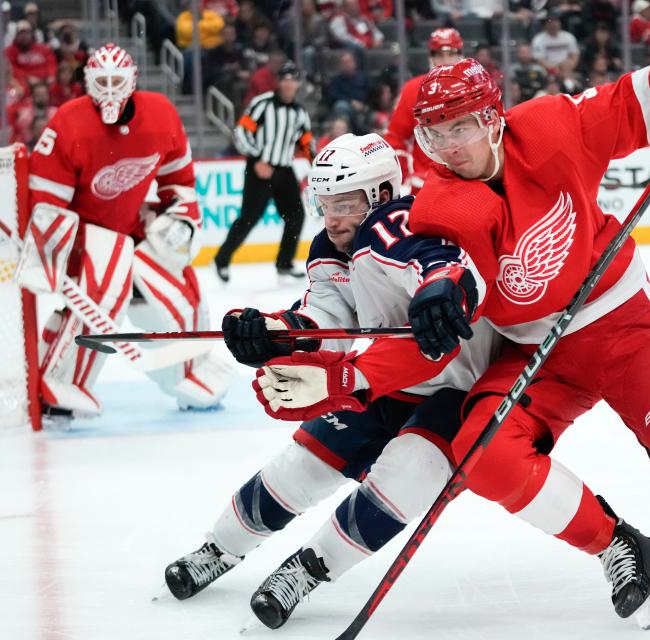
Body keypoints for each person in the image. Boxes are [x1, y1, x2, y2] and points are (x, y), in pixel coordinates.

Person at [251, 59, 650, 631]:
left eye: (461, 128)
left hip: (622, 324)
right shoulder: (442, 205)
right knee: (484, 453)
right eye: (436, 134)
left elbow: (635, 98)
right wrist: (434, 299)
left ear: (494, 120)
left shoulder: (553, 126)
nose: (450, 148)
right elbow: (449, 293)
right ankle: (621, 547)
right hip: (535, 352)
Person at [164, 133, 501, 629]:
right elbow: (326, 319)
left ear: (383, 195)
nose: (334, 218)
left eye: (345, 203)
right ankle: (220, 547)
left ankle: (307, 570)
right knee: (298, 467)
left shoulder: (414, 222)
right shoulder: (332, 245)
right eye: (325, 204)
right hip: (385, 379)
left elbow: (441, 268)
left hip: (459, 390)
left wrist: (440, 288)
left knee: (404, 477)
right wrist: (274, 333)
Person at [25, 43, 232, 418]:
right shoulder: (68, 123)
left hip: (132, 227)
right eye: (100, 81)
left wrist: (180, 219)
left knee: (181, 291)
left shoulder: (161, 115)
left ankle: (191, 372)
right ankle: (62, 380)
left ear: (132, 80)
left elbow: (179, 181)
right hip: (86, 233)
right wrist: (49, 248)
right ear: (87, 82)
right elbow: (46, 199)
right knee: (103, 290)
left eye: (115, 80)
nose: (108, 89)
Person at [214, 62, 313, 282]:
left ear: (298, 83)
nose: (289, 83)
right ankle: (222, 259)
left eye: (293, 79)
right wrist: (257, 158)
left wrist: (317, 162)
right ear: (279, 81)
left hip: (284, 169)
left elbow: (306, 142)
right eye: (285, 78)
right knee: (249, 218)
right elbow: (241, 132)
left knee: (296, 216)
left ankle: (284, 263)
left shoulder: (300, 112)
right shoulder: (263, 104)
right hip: (260, 168)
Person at [383, 27, 463, 194]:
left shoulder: (475, 86)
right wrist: (403, 177)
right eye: (439, 54)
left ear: (460, 55)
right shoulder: (412, 89)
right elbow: (395, 137)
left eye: (451, 53)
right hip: (425, 184)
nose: (445, 60)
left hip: (468, 179)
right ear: (431, 57)